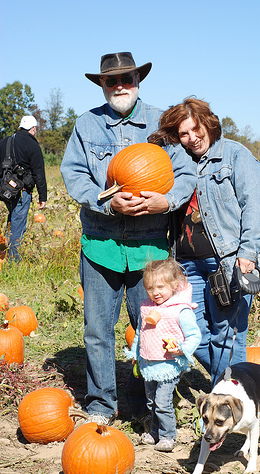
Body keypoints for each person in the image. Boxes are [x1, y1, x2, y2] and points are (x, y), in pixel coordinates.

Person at [60, 53, 196, 425]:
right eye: (111, 80)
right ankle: (101, 405)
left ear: (138, 78)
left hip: (150, 248)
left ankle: (147, 404)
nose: (120, 85)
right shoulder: (86, 125)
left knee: (153, 326)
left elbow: (185, 173)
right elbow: (74, 175)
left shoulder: (161, 122)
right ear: (101, 85)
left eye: (127, 77)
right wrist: (104, 202)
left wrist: (165, 201)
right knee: (97, 330)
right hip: (101, 244)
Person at [149, 98, 260, 388]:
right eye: (184, 134)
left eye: (196, 129)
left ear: (209, 123)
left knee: (227, 336)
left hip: (227, 262)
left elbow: (255, 205)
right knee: (196, 332)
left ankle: (225, 403)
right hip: (186, 265)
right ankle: (232, 386)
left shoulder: (235, 156)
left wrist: (248, 252)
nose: (192, 139)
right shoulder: (176, 163)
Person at [125, 258, 201, 451]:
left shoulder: (180, 310)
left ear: (174, 285)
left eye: (160, 287)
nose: (155, 292)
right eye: (150, 288)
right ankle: (154, 432)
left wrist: (182, 349)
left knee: (162, 402)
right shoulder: (146, 307)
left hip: (169, 366)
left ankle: (169, 436)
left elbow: (194, 335)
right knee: (151, 401)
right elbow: (141, 333)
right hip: (148, 365)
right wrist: (136, 352)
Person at [0, 116, 47, 261]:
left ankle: (4, 252)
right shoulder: (32, 145)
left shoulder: (5, 141)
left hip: (4, 191)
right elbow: (39, 173)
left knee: (13, 218)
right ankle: (13, 262)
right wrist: (42, 197)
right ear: (33, 129)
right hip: (22, 191)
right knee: (18, 225)